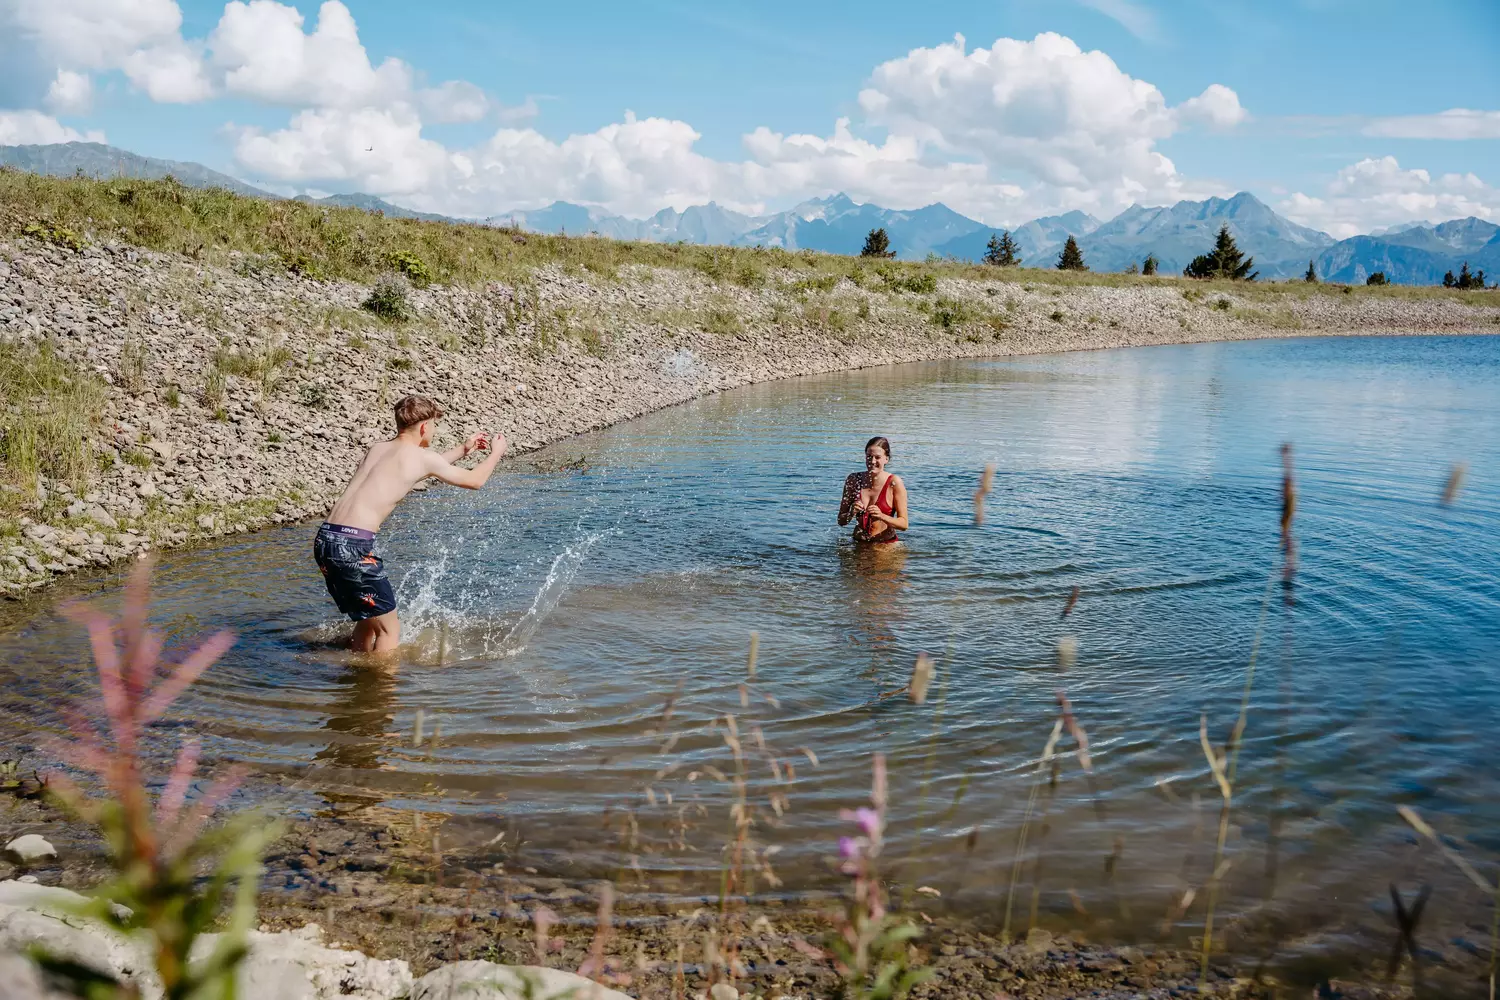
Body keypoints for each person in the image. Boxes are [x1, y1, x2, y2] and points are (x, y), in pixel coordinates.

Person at [315, 395, 506, 655]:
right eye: (434, 426)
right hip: (352, 547)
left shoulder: (378, 449)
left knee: (368, 622)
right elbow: (475, 481)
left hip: (326, 540)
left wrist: (463, 450)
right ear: (425, 427)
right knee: (389, 630)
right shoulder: (421, 457)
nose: (434, 432)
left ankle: (357, 676)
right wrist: (497, 454)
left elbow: (419, 467)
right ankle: (383, 690)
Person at [838, 435, 909, 545]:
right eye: (869, 456)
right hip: (858, 543)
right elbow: (841, 521)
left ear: (886, 459)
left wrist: (882, 516)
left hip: (885, 545)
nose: (872, 461)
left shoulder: (894, 483)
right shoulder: (853, 480)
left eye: (877, 457)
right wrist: (851, 512)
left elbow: (904, 524)